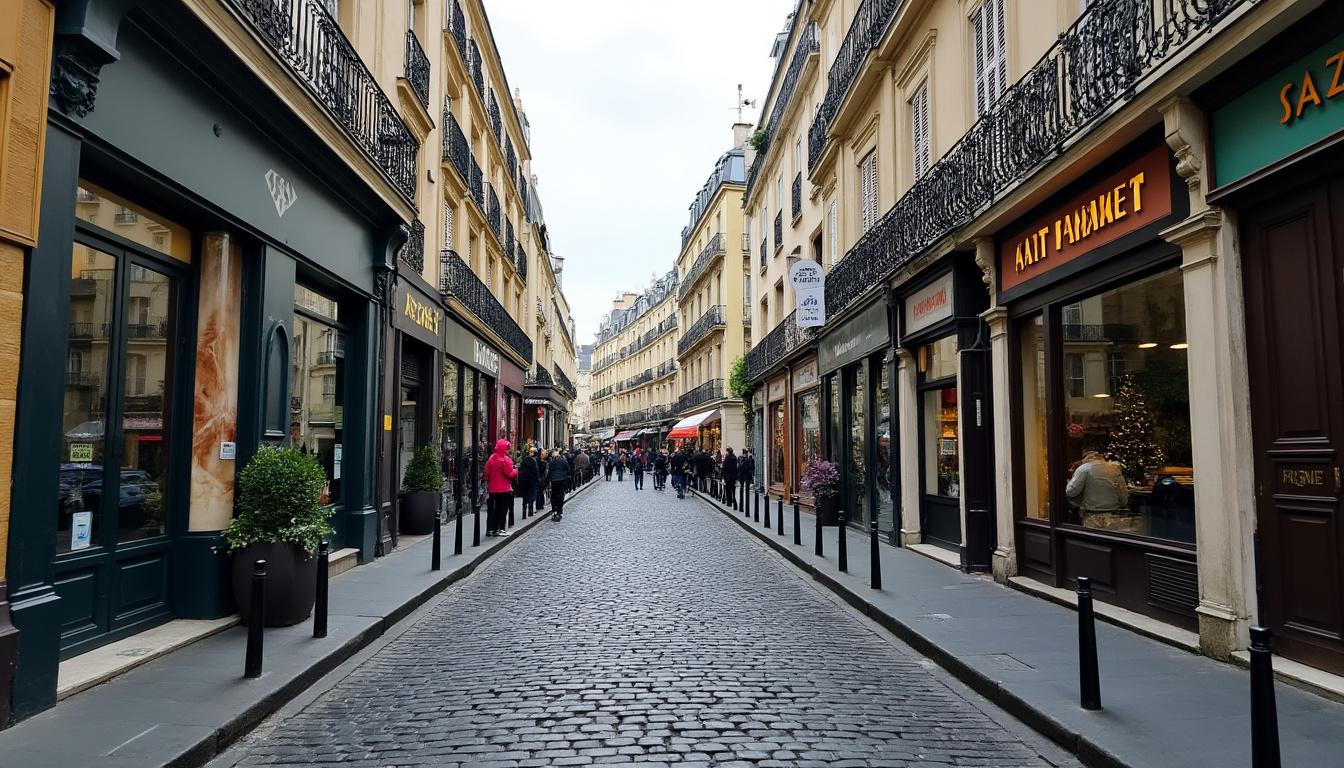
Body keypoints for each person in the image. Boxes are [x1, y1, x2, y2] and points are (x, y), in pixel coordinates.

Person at [1065, 451, 1129, 528]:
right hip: (1112, 514)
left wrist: (1069, 482)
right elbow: (1123, 493)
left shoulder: (1083, 469)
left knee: (1093, 535)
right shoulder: (1114, 469)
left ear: (1085, 459)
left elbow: (1071, 492)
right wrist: (1122, 504)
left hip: (1092, 515)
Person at [482, 439, 518, 537]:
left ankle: (490, 529)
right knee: (502, 509)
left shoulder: (491, 458)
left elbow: (486, 473)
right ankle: (500, 529)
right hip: (503, 489)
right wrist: (516, 470)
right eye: (507, 449)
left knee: (492, 509)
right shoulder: (505, 460)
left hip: (492, 489)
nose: (508, 451)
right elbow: (510, 474)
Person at [547, 448, 571, 521]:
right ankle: (559, 512)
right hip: (561, 480)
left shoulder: (551, 463)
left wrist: (548, 480)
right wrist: (567, 476)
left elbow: (549, 473)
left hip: (554, 481)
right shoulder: (563, 461)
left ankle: (554, 510)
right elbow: (568, 470)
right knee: (560, 497)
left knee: (554, 496)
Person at [518, 447, 540, 516]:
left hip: (524, 481)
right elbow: (536, 471)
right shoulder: (533, 461)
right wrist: (537, 479)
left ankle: (524, 512)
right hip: (532, 480)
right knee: (531, 495)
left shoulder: (524, 460)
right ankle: (530, 511)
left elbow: (521, 470)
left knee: (525, 495)